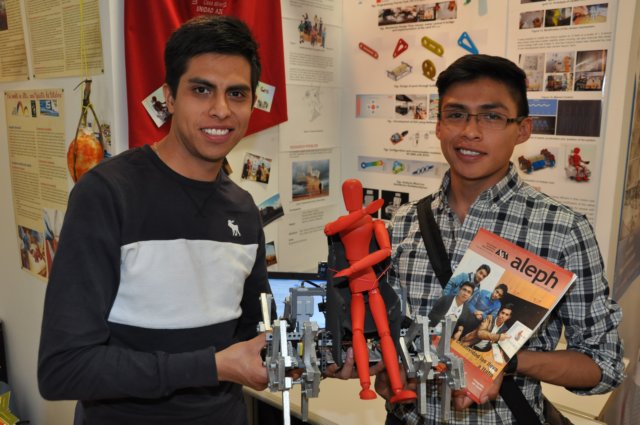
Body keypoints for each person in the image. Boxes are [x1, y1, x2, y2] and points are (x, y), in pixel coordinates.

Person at [38, 16, 272, 425]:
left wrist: (324, 352)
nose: (221, 110)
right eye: (201, 90)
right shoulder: (107, 195)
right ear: (169, 97)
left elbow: (255, 335)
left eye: (237, 93)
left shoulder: (243, 209)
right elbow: (64, 369)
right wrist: (212, 366)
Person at [376, 54, 624, 424]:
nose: (470, 131)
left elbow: (603, 364)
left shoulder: (562, 230)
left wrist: (507, 361)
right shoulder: (403, 223)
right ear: (439, 125)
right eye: (456, 114)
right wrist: (388, 366)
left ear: (522, 129)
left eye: (492, 116)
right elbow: (389, 331)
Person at [324, 179, 416, 403]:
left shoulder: (377, 224)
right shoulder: (343, 223)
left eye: (353, 194)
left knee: (385, 333)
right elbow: (329, 229)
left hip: (370, 281)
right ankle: (365, 387)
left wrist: (353, 268)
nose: (350, 198)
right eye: (347, 194)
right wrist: (363, 212)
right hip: (354, 287)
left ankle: (397, 388)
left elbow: (385, 251)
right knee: (357, 332)